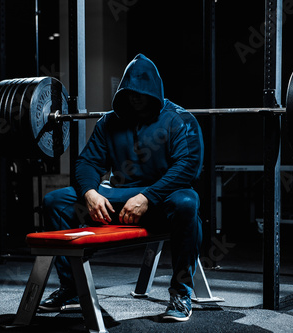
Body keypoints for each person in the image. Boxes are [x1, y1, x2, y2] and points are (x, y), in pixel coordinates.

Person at [39, 53, 204, 322]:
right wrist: (90, 193)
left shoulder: (179, 120)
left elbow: (187, 167)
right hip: (117, 203)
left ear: (154, 91)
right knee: (55, 202)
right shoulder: (109, 122)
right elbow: (87, 163)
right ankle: (71, 289)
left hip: (159, 204)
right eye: (129, 92)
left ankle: (181, 292)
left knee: (187, 202)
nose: (135, 97)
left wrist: (148, 196)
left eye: (141, 92)